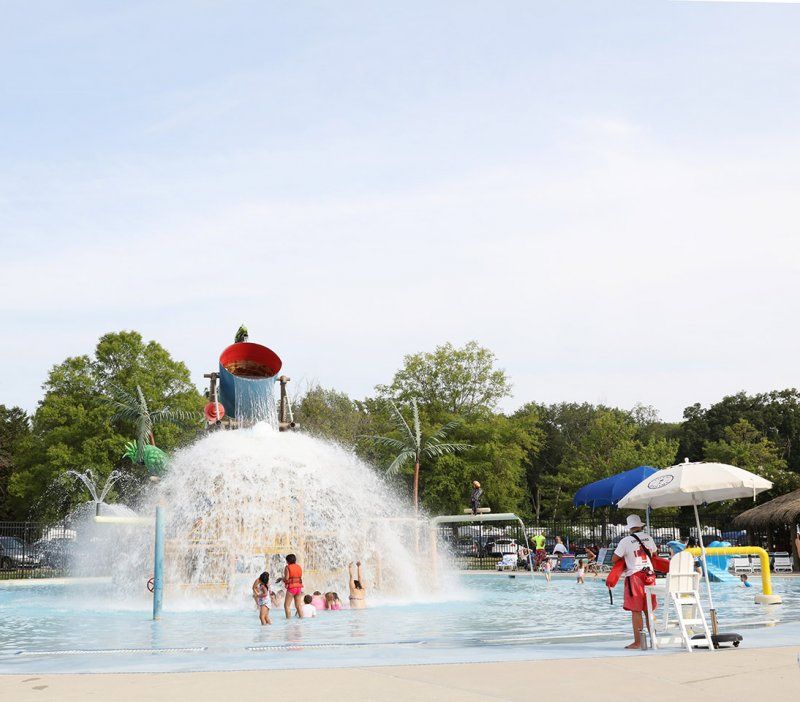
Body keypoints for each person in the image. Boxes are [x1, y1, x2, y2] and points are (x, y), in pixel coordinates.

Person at [612, 514, 658, 650]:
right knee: (649, 609)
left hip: (635, 576)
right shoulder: (649, 538)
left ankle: (638, 642)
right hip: (650, 575)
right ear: (640, 525)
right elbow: (655, 554)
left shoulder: (625, 541)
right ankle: (654, 640)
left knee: (636, 610)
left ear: (629, 527)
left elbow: (615, 558)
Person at [283, 553, 305, 619]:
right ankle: (301, 619)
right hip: (299, 588)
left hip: (292, 588)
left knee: (286, 605)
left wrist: (282, 579)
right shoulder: (299, 567)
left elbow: (287, 578)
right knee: (298, 605)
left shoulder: (287, 567)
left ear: (288, 561)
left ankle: (288, 621)